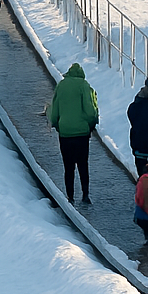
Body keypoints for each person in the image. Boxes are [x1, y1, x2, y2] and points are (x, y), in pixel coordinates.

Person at [47, 63, 100, 204]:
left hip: (65, 133)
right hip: (82, 133)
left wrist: (57, 124)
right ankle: (85, 194)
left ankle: (70, 196)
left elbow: (55, 109)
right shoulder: (84, 85)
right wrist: (92, 123)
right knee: (83, 165)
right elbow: (90, 111)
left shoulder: (61, 85)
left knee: (68, 166)